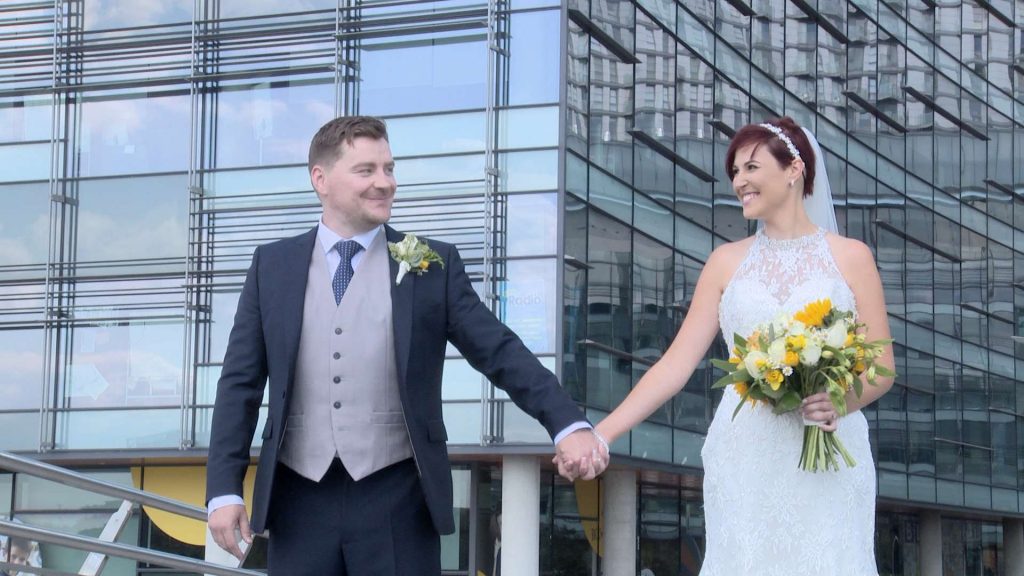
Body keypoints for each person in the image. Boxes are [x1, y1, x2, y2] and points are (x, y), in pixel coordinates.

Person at [205, 115, 607, 575]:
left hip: (398, 498)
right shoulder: (270, 266)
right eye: (367, 170)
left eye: (389, 169)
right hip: (298, 500)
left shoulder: (432, 265)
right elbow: (239, 384)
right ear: (320, 178)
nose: (385, 183)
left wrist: (567, 423)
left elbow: (499, 350)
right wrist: (224, 488)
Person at [591, 117, 895, 575]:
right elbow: (674, 366)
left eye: (751, 167)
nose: (739, 181)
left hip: (829, 453)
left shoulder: (852, 257)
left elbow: (882, 367)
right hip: (746, 456)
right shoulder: (723, 263)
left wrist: (837, 400)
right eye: (734, 172)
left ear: (794, 169)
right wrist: (602, 433)